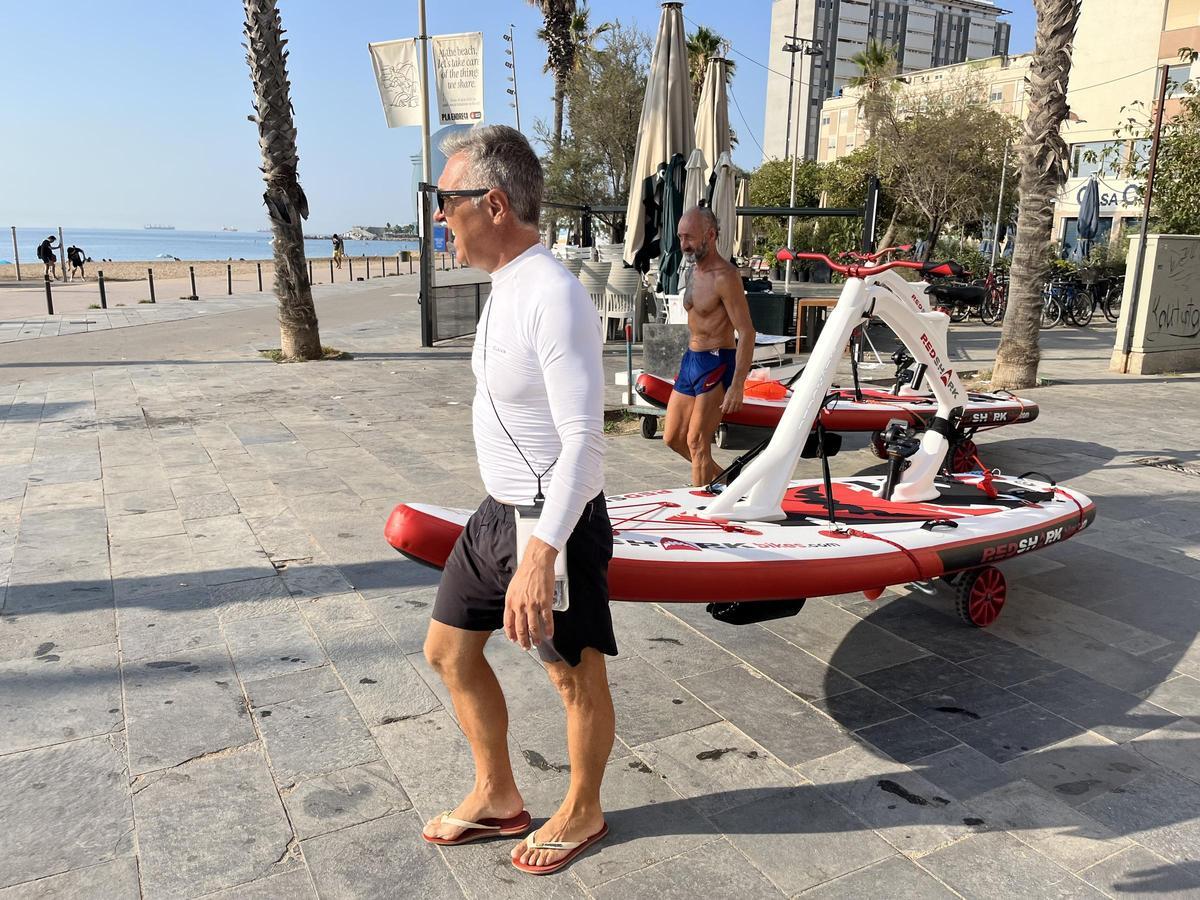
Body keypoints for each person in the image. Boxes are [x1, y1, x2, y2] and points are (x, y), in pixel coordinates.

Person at [420, 124, 615, 876]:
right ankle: (498, 795)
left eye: (447, 202)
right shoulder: (504, 285)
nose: (441, 217)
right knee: (447, 651)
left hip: (551, 523)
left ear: (493, 203)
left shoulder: (555, 297)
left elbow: (586, 444)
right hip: (496, 513)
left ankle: (584, 807)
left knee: (572, 675)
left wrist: (541, 555)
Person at [662, 207, 756, 487]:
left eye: (689, 237)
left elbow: (747, 332)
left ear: (711, 235)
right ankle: (728, 479)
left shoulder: (725, 277)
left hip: (717, 361)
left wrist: (738, 384)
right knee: (673, 438)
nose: (683, 245)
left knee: (697, 441)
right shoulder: (692, 271)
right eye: (680, 237)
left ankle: (701, 516)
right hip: (691, 359)